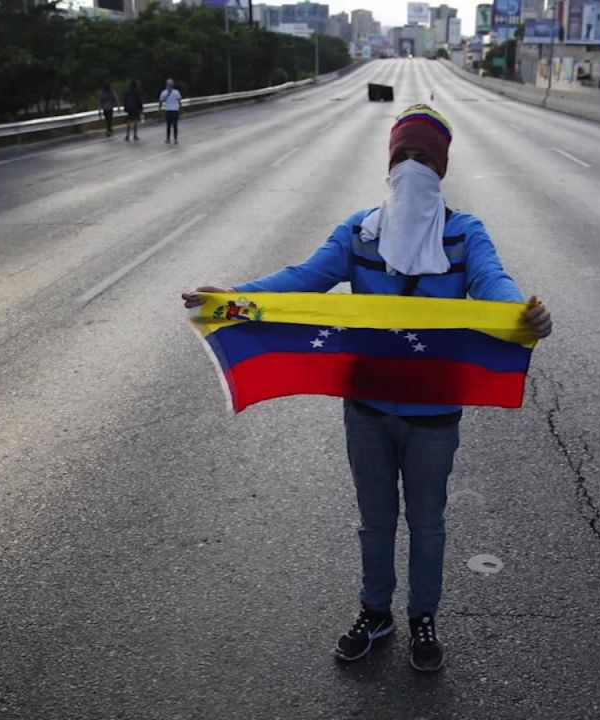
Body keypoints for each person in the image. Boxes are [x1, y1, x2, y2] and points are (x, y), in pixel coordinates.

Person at [181, 105, 553, 674]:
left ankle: (422, 618)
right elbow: (302, 280)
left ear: (441, 168)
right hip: (367, 406)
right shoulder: (358, 233)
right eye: (402, 156)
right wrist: (231, 298)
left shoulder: (464, 233)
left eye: (423, 158)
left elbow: (492, 281)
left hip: (434, 411)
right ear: (388, 164)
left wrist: (522, 315)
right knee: (375, 520)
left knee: (427, 524)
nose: (411, 167)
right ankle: (374, 612)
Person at [160, 79, 182, 144]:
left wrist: (159, 108)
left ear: (166, 84)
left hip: (168, 111)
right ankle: (175, 139)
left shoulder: (164, 92)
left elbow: (161, 101)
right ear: (173, 84)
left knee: (168, 125)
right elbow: (179, 101)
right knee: (175, 125)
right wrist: (180, 108)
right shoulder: (176, 92)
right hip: (175, 111)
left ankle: (168, 139)